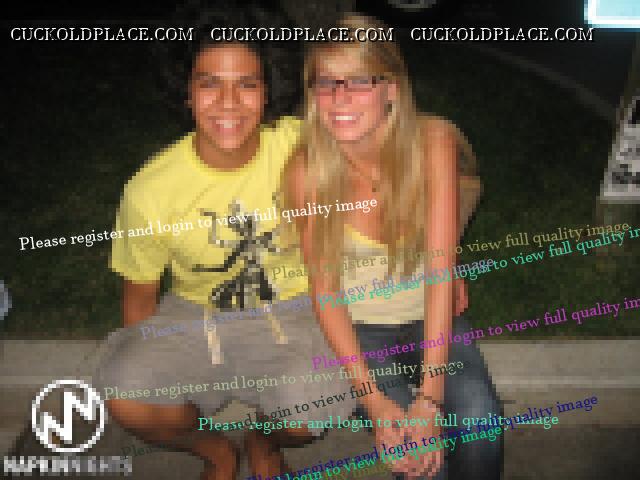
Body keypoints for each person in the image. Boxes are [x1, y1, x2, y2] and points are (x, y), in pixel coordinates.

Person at [94, 2, 356, 479]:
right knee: (128, 396)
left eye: (247, 84)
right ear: (186, 91)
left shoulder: (306, 145)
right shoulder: (150, 190)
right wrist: (150, 367)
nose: (228, 103)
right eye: (209, 83)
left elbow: (398, 161)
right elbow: (139, 301)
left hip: (295, 309)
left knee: (317, 407)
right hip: (196, 314)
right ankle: (216, 451)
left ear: (269, 90)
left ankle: (264, 440)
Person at [283, 14, 501, 480]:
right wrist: (374, 402)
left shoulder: (433, 143)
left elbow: (439, 274)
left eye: (360, 80)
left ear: (392, 90)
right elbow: (326, 293)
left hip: (430, 316)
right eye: (326, 82)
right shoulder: (308, 173)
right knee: (417, 458)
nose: (340, 98)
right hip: (360, 329)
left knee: (481, 427)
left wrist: (430, 399)